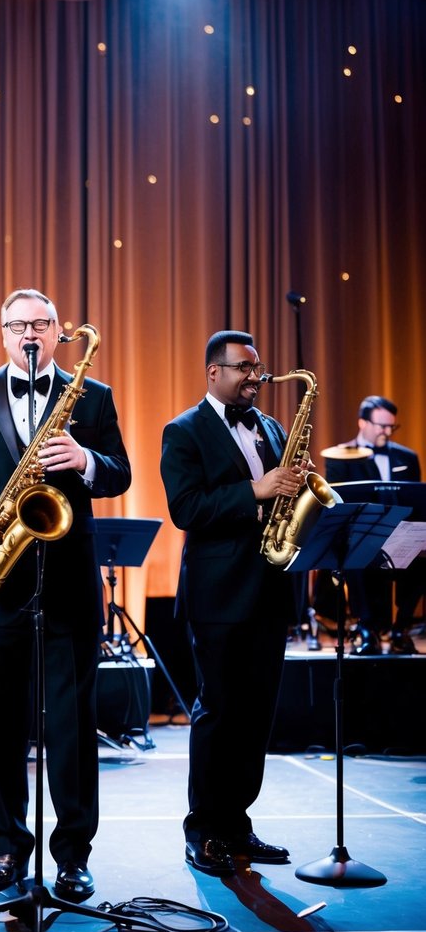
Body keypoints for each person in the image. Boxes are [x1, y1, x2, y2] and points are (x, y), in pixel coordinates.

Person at [0, 288, 131, 901]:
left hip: (68, 582)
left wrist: (86, 460)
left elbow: (120, 471)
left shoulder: (92, 396)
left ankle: (72, 855)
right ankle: (8, 848)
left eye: (39, 322)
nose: (28, 333)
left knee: (72, 725)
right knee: (0, 725)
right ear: (2, 333)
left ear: (57, 328)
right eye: (16, 324)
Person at [160, 330, 305, 878]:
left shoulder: (269, 426)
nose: (255, 376)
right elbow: (187, 508)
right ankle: (204, 831)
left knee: (255, 716)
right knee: (218, 713)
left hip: (269, 588)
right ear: (213, 372)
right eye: (244, 368)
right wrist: (256, 491)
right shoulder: (184, 430)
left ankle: (238, 825)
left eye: (257, 366)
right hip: (218, 595)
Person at [324, 395, 422, 655]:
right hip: (361, 536)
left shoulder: (407, 457)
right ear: (362, 423)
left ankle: (400, 628)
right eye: (382, 426)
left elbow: (416, 503)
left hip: (399, 535)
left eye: (392, 427)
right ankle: (366, 627)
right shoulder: (340, 457)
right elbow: (337, 505)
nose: (387, 432)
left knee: (422, 555)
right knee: (355, 554)